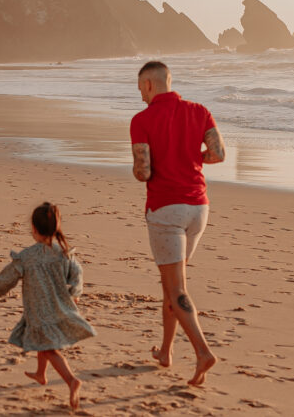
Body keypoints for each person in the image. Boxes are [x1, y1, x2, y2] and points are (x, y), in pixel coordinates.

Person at [131, 60, 226, 386]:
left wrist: (143, 166)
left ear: (148, 85)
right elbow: (218, 154)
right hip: (198, 208)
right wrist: (190, 156)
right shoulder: (200, 111)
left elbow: (143, 172)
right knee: (171, 285)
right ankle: (166, 352)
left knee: (176, 289)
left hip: (166, 210)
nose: (141, 95)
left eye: (140, 88)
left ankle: (202, 351)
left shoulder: (142, 120)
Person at [0, 202, 96, 409]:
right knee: (42, 341)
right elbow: (77, 275)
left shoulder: (27, 257)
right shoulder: (64, 254)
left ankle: (72, 380)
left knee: (48, 349)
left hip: (40, 311)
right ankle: (40, 374)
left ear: (34, 230)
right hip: (59, 309)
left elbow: (9, 276)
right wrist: (75, 294)